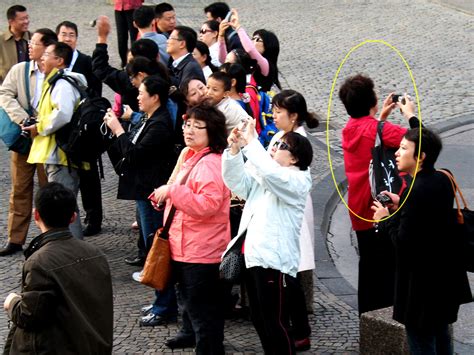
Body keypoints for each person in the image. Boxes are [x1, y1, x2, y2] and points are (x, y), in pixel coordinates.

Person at [372, 128, 472, 354]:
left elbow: (403, 243)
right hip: (444, 281)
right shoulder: (443, 178)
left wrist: (385, 218)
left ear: (421, 156)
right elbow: (427, 220)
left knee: (422, 343)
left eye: (404, 148)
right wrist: (402, 205)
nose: (397, 153)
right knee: (441, 336)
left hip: (421, 288)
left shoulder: (416, 191)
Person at [223, 124, 313, 355]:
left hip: (274, 261)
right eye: (275, 143)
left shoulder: (297, 180)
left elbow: (271, 173)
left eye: (282, 146)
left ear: (294, 159)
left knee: (276, 323)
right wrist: (233, 151)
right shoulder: (268, 175)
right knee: (260, 319)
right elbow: (238, 183)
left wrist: (251, 141)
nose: (275, 148)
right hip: (254, 256)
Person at [152, 103, 230, 354]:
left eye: (198, 126)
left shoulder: (210, 163)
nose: (189, 130)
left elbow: (208, 205)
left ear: (212, 132)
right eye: (188, 124)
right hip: (186, 245)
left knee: (203, 312)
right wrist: (165, 198)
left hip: (201, 250)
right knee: (192, 304)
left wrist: (173, 191)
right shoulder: (191, 155)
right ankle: (197, 340)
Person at [338, 74, 419, 315]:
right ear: (372, 100)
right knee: (389, 269)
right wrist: (410, 114)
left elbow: (369, 140)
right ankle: (389, 324)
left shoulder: (348, 129)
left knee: (369, 268)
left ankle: (368, 321)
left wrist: (380, 117)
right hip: (382, 206)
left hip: (358, 207)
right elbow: (421, 142)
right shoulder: (380, 129)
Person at [3, 182, 113, 354]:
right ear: (73, 217)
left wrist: (13, 302)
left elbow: (30, 316)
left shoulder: (39, 262)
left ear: (36, 215)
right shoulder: (96, 253)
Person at [105, 75, 178, 326]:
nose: (137, 97)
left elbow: (134, 155)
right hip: (143, 193)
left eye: (142, 93)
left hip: (151, 196)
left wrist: (117, 130)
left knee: (157, 250)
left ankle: (165, 305)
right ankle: (161, 301)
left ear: (155, 97)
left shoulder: (160, 125)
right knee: (151, 249)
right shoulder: (149, 119)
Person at [267, 89, 319, 351]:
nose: (274, 116)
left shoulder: (296, 141)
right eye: (274, 110)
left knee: (292, 272)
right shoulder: (280, 135)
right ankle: (289, 324)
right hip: (275, 206)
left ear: (294, 115)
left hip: (290, 206)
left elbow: (274, 171)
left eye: (278, 112)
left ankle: (300, 329)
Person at [0, 28, 57, 256]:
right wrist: (21, 118)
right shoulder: (19, 70)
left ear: (47, 48)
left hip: (46, 140)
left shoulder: (58, 74)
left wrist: (41, 122)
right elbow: (5, 94)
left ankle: (51, 237)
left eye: (34, 43)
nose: (29, 46)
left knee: (49, 190)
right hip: (24, 139)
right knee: (19, 189)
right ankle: (15, 239)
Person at [24, 42, 87, 240]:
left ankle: (75, 252)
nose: (42, 58)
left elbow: (63, 114)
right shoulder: (55, 82)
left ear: (59, 61)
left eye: (47, 54)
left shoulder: (62, 84)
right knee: (66, 205)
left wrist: (39, 127)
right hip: (57, 155)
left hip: (62, 156)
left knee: (65, 207)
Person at [56, 20, 104, 237]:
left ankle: (94, 218)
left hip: (85, 127)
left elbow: (96, 90)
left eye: (71, 34)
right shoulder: (54, 64)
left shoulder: (85, 61)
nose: (67, 38)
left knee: (89, 175)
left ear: (77, 38)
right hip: (64, 131)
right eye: (63, 34)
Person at [220, 9, 281, 92]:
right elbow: (223, 60)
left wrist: (238, 27)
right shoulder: (247, 60)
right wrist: (221, 36)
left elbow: (250, 49)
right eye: (252, 38)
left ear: (268, 46)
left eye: (258, 39)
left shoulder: (266, 66)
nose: (253, 42)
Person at [0, 5, 30, 83]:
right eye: (22, 19)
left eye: (27, 18)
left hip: (28, 86)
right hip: (6, 88)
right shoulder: (1, 41)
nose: (26, 21)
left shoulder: (33, 38)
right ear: (11, 22)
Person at [114, 0, 143, 68]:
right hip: (119, 6)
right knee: (121, 38)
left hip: (133, 6)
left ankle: (135, 62)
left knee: (135, 37)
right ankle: (124, 61)